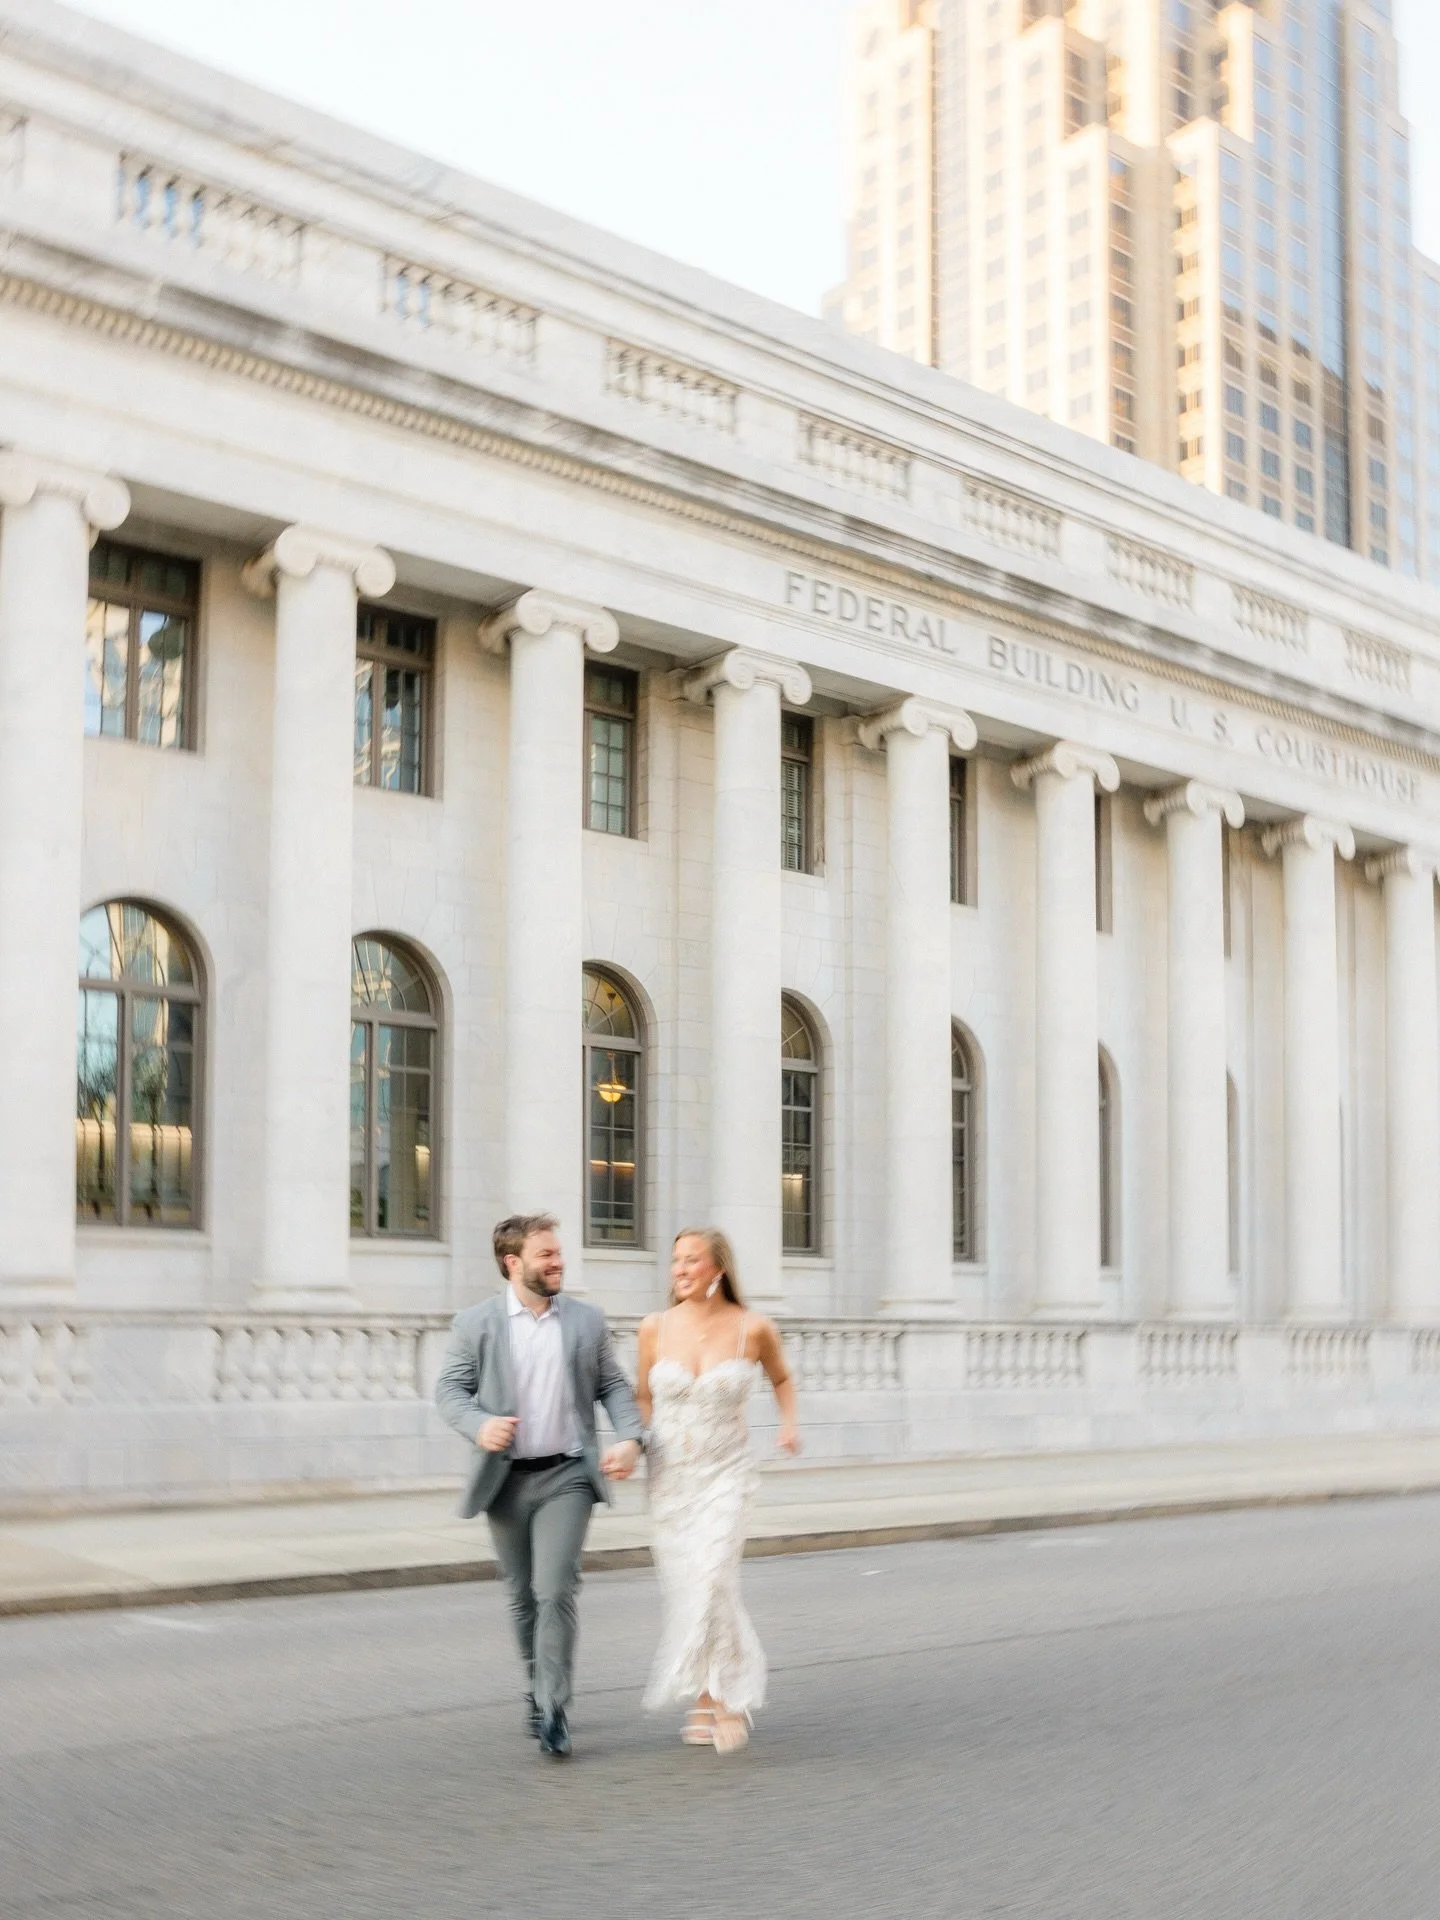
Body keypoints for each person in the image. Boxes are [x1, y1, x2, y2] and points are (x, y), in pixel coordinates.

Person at [434, 1212, 643, 1760]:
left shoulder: (585, 1321)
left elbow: (613, 1385)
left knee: (555, 1589)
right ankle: (535, 1686)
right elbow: (450, 1391)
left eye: (558, 1253)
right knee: (521, 1595)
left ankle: (554, 1707)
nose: (558, 1262)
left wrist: (630, 1438)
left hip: (567, 1475)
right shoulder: (475, 1324)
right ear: (513, 1262)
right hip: (505, 1480)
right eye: (546, 1254)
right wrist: (479, 1424)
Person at [636, 1226, 801, 1754]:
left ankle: (729, 1698)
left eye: (692, 1260)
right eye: (676, 1260)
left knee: (712, 1579)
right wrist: (638, 1443)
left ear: (718, 1268)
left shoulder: (753, 1327)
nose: (681, 1269)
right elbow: (643, 1396)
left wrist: (788, 1424)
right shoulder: (654, 1327)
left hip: (727, 1473)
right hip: (671, 1478)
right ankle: (706, 1696)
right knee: (692, 1588)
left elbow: (781, 1379)